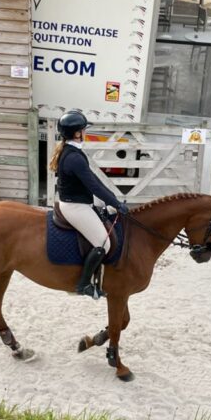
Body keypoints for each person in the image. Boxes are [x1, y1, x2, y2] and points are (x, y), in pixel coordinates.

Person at [49, 109, 128, 298]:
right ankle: (83, 285)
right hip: (75, 207)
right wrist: (116, 205)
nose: (85, 132)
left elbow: (94, 180)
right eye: (84, 130)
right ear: (77, 133)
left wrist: (114, 200)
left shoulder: (72, 152)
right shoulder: (74, 158)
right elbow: (93, 186)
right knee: (103, 243)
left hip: (78, 203)